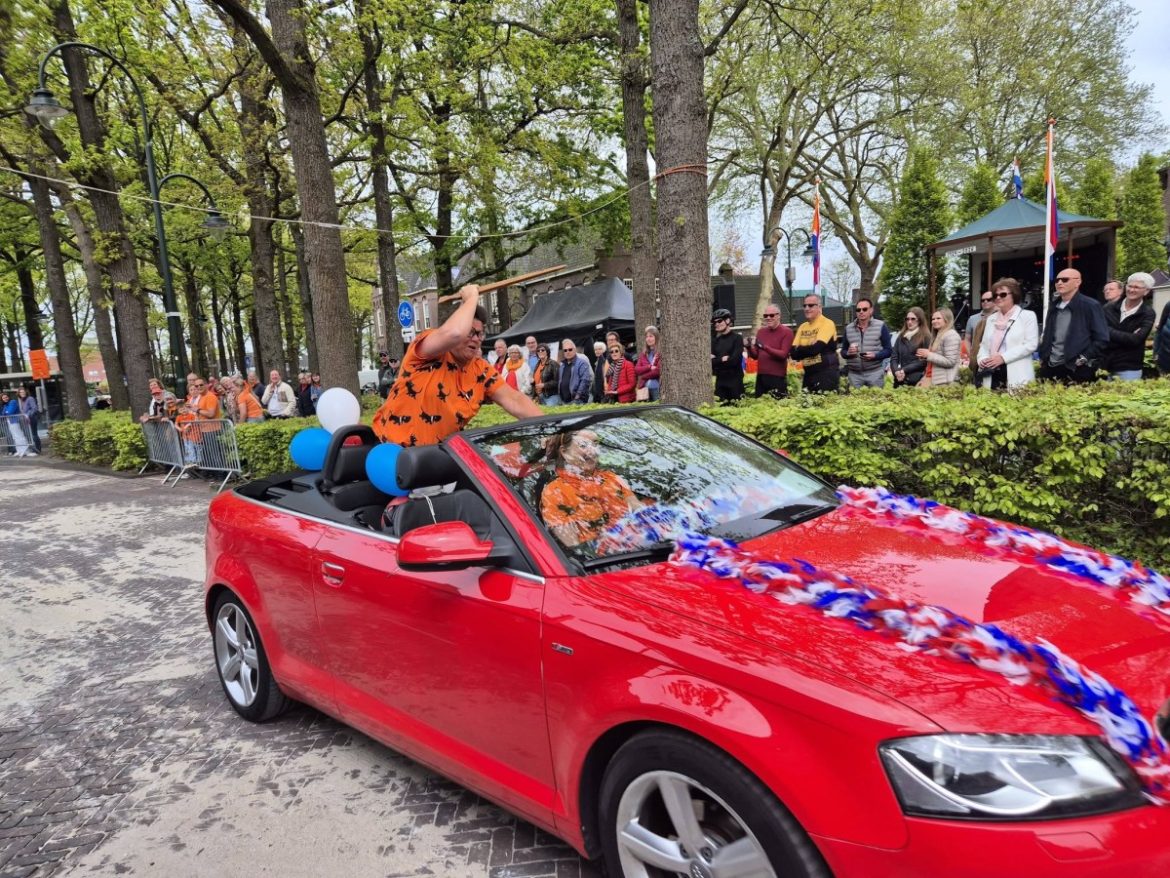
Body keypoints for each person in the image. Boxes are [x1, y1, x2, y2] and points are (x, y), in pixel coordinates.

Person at [372, 284, 541, 446]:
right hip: (391, 452)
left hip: (436, 458)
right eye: (471, 332)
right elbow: (454, 333)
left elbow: (514, 399)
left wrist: (550, 428)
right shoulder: (427, 350)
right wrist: (471, 297)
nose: (476, 338)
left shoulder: (481, 370)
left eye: (480, 334)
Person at [539, 429, 641, 548]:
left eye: (595, 444)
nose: (594, 451)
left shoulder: (612, 478)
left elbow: (640, 512)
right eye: (583, 445)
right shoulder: (555, 491)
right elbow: (573, 544)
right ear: (565, 452)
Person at [1038, 268, 1109, 384]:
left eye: (1065, 280)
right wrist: (1043, 355)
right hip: (1050, 366)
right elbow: (1047, 333)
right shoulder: (1054, 306)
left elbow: (1102, 338)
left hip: (1077, 368)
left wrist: (1083, 358)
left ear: (1077, 282)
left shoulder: (1091, 305)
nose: (1059, 283)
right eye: (1057, 280)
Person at [976, 278, 1039, 389]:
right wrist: (982, 359)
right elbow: (984, 345)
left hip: (1017, 372)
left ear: (1014, 295)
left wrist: (1003, 358)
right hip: (992, 372)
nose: (998, 297)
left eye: (1003, 294)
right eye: (995, 295)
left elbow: (1031, 344)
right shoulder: (991, 319)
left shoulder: (1027, 316)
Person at [1103, 272, 1155, 381]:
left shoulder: (1148, 313)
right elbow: (1099, 332)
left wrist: (1108, 331)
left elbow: (1137, 340)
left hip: (1129, 367)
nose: (1131, 290)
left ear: (1146, 291)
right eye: (1130, 286)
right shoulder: (1108, 308)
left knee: (1124, 397)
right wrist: (1128, 336)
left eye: (1136, 287)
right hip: (1104, 364)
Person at [790, 296, 841, 393]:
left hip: (826, 374)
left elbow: (816, 349)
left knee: (824, 405)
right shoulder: (802, 327)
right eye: (804, 306)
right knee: (805, 405)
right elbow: (793, 354)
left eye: (810, 305)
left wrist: (800, 348)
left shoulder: (827, 323)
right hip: (808, 374)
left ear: (819, 307)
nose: (806, 308)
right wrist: (809, 346)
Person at [840, 298, 891, 389]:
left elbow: (889, 350)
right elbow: (843, 352)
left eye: (864, 309)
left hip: (874, 373)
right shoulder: (848, 328)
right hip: (854, 375)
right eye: (858, 310)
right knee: (854, 402)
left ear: (871, 310)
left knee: (876, 401)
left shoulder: (881, 326)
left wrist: (875, 355)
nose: (861, 312)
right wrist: (848, 353)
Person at [918, 308, 962, 387]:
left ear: (947, 320)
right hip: (931, 378)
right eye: (933, 319)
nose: (934, 321)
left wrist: (929, 355)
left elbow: (950, 361)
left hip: (944, 382)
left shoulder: (951, 335)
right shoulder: (937, 335)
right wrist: (925, 355)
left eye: (938, 318)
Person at [890, 307, 930, 388]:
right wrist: (896, 372)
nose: (909, 322)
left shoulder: (926, 337)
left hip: (917, 380)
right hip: (900, 379)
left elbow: (924, 361)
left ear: (919, 320)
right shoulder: (901, 336)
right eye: (907, 319)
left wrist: (904, 370)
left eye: (913, 319)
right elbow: (894, 358)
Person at [709, 309, 744, 402]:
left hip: (735, 382)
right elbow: (710, 363)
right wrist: (722, 359)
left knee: (737, 410)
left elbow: (734, 361)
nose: (716, 324)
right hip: (720, 382)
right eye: (714, 322)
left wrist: (717, 360)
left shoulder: (737, 338)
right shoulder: (715, 341)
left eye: (719, 321)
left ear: (728, 320)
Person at [557, 339, 593, 405]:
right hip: (564, 402)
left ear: (575, 349)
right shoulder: (562, 365)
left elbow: (585, 381)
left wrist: (578, 396)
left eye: (570, 349)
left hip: (578, 401)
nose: (567, 352)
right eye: (565, 350)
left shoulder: (582, 363)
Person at [965, 291, 996, 364]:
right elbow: (967, 339)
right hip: (977, 359)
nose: (985, 301)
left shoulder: (1001, 318)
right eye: (983, 300)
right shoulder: (972, 319)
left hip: (995, 358)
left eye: (989, 300)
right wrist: (971, 355)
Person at [634, 326, 662, 401]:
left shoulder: (660, 352)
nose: (648, 339)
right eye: (647, 337)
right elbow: (636, 370)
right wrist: (649, 367)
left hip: (657, 388)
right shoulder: (644, 354)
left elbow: (657, 371)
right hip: (644, 389)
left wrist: (643, 376)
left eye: (651, 336)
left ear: (656, 337)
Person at [16, 387, 41, 454]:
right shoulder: (22, 400)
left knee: (34, 434)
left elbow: (34, 408)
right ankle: (34, 449)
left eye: (23, 392)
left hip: (32, 419)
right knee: (30, 435)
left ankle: (38, 449)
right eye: (20, 392)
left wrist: (28, 414)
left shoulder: (30, 398)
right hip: (26, 420)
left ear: (26, 392)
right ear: (19, 394)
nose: (22, 393)